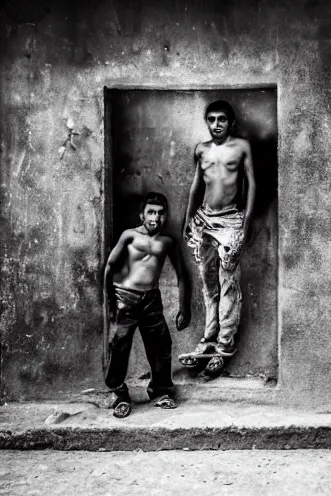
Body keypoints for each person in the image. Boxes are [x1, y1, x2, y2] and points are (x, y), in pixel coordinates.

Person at [181, 100, 256, 374]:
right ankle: (208, 339)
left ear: (230, 122)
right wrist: (187, 218)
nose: (216, 124)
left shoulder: (241, 148)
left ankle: (225, 345)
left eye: (221, 119)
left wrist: (245, 224)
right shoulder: (201, 150)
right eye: (211, 119)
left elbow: (252, 185)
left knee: (228, 285)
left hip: (230, 222)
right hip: (203, 220)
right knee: (207, 283)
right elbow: (195, 185)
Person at [104, 192, 190, 415]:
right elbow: (110, 267)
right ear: (142, 215)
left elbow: (182, 275)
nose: (156, 217)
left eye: (161, 213)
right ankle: (119, 392)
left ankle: (161, 391)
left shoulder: (167, 242)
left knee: (161, 344)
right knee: (120, 344)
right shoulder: (129, 236)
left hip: (151, 299)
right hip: (126, 298)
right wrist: (110, 302)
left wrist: (184, 307)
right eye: (151, 212)